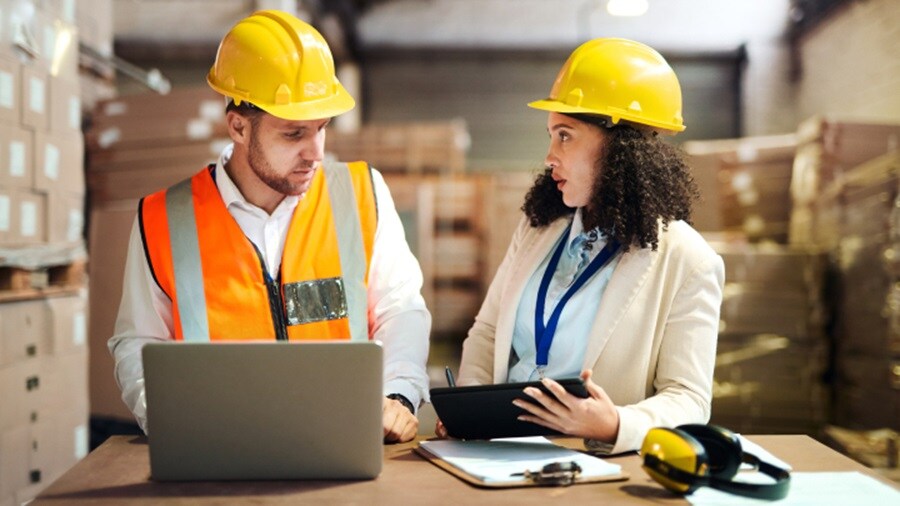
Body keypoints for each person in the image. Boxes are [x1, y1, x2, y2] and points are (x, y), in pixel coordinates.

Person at [108, 10, 430, 443]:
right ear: (238, 127)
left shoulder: (362, 194)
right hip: (219, 446)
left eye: (322, 129)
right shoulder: (163, 219)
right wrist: (171, 420)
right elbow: (138, 342)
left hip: (344, 440)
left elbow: (401, 306)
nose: (315, 153)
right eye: (293, 134)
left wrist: (399, 395)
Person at [439, 38, 725, 454]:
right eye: (551, 135)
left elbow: (689, 398)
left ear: (620, 148)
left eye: (565, 136)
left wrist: (615, 424)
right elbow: (486, 332)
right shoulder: (539, 228)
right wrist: (472, 413)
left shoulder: (689, 261)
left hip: (592, 460)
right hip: (499, 450)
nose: (550, 156)